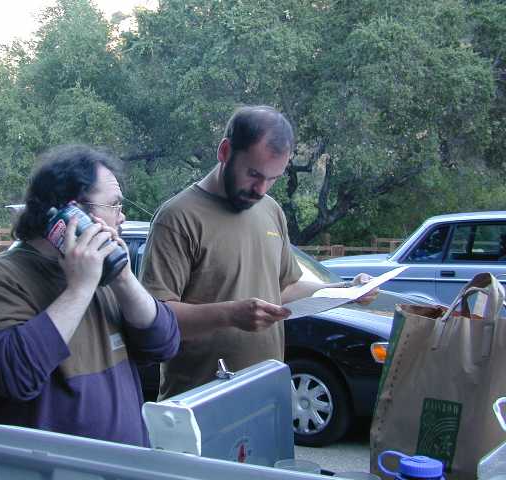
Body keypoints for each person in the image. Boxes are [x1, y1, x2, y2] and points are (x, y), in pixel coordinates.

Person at [140, 105, 374, 399]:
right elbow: (155, 320)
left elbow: (285, 288)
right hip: (199, 400)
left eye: (273, 179)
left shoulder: (271, 210)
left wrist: (345, 291)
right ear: (225, 151)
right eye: (253, 174)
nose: (261, 189)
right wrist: (230, 314)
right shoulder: (177, 217)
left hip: (265, 392)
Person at [0, 145, 180, 446]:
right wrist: (79, 289)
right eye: (114, 205)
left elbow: (164, 344)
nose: (122, 217)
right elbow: (14, 376)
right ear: (73, 213)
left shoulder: (105, 276)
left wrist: (124, 278)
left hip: (117, 464)